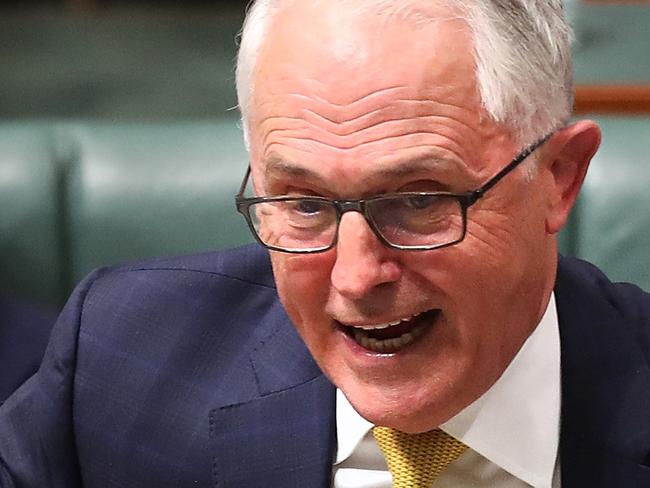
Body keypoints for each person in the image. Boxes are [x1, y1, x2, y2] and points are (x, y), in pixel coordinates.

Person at [1, 0, 649, 486]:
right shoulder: (120, 363)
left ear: (557, 180)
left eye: (418, 201)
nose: (356, 278)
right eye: (305, 204)